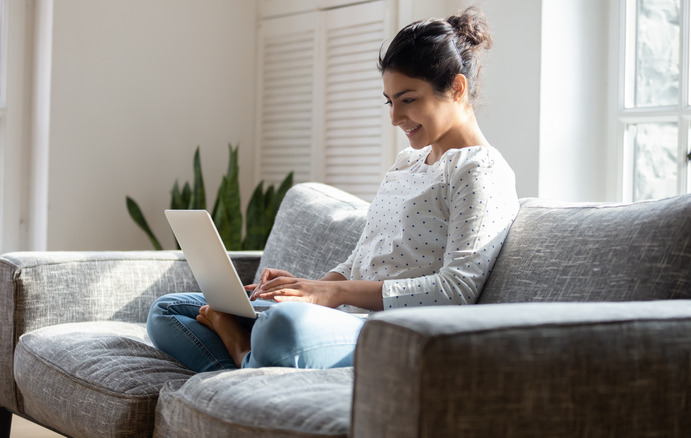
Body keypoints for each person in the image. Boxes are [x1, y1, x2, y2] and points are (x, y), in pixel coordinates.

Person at [146, 6, 519, 373]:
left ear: (456, 87)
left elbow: (455, 291)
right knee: (168, 309)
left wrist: (333, 295)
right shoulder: (407, 163)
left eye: (408, 100)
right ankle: (247, 368)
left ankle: (241, 350)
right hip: (341, 320)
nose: (394, 118)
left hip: (394, 331)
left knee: (282, 328)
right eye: (390, 102)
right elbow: (361, 260)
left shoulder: (480, 171)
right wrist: (307, 288)